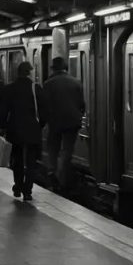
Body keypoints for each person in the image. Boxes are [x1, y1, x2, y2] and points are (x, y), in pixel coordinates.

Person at [1, 62, 46, 201]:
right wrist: (40, 126)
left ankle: (18, 186)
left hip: (15, 129)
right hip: (32, 129)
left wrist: (3, 126)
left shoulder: (9, 88)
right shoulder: (36, 88)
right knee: (31, 161)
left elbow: (3, 110)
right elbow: (44, 111)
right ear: (29, 72)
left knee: (17, 159)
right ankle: (28, 191)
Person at [43, 57, 85, 194]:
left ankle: (51, 171)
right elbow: (82, 104)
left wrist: (45, 120)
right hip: (72, 121)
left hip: (55, 121)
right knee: (67, 150)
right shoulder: (76, 82)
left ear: (53, 69)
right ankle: (61, 178)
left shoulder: (48, 83)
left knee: (53, 147)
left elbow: (45, 105)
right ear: (66, 68)